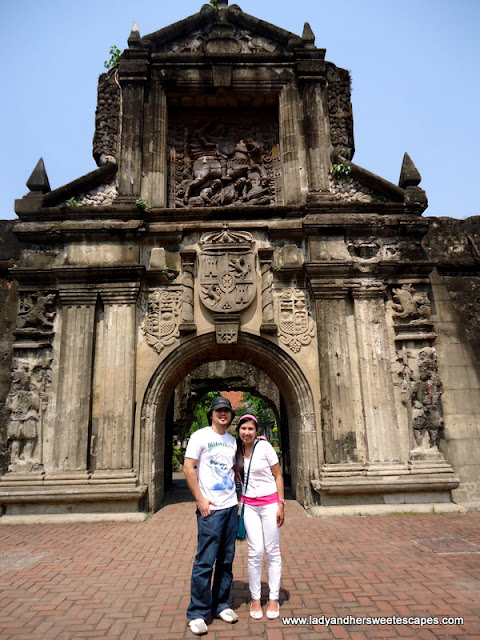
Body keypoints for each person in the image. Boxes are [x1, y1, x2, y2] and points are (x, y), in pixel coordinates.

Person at [183, 396, 239, 636]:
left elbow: (233, 468)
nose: (222, 414)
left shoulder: (232, 440)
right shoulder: (200, 436)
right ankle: (197, 611)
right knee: (205, 561)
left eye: (226, 411)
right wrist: (200, 498)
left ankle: (221, 604)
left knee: (226, 561)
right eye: (218, 411)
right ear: (212, 414)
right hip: (211, 509)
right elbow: (188, 467)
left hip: (230, 507)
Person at [236, 414, 285, 620]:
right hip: (249, 506)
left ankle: (273, 597)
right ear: (238, 430)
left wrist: (281, 504)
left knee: (272, 550)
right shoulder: (235, 452)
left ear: (256, 431)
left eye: (250, 429)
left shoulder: (265, 448)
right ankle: (255, 598)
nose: (247, 432)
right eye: (243, 429)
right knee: (255, 551)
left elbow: (278, 475)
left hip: (269, 504)